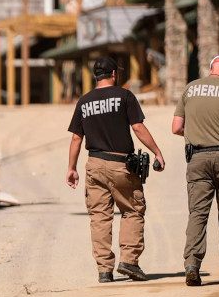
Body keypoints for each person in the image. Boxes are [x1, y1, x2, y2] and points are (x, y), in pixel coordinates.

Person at [67, 57, 166, 283]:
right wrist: (156, 151)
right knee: (132, 210)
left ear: (96, 76)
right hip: (121, 164)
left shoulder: (84, 101)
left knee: (99, 217)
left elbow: (75, 138)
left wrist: (71, 168)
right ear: (114, 73)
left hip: (94, 164)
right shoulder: (124, 96)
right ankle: (129, 262)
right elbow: (138, 127)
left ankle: (104, 270)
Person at [172, 54, 219, 286]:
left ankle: (192, 266)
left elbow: (176, 127)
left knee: (198, 213)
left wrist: (196, 133)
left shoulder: (190, 89)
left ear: (211, 69)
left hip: (197, 158)